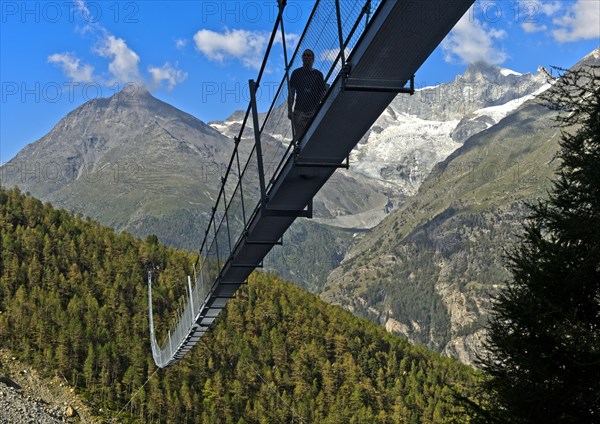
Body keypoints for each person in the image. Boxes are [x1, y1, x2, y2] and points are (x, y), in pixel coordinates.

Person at [288, 49, 326, 141]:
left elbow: (322, 93)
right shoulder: (296, 73)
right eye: (304, 55)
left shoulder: (318, 75)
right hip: (299, 110)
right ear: (302, 58)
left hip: (314, 110)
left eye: (309, 55)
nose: (306, 57)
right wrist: (289, 110)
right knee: (300, 137)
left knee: (314, 136)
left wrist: (325, 107)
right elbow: (291, 93)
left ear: (313, 59)